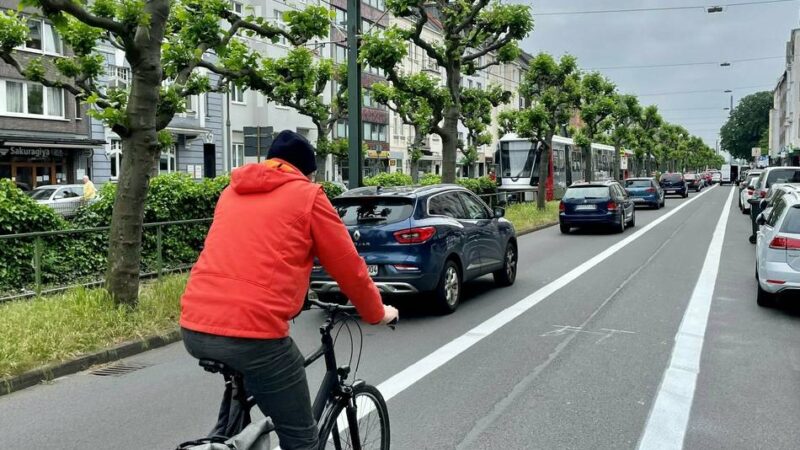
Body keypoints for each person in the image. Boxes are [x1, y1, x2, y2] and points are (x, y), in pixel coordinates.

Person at [180, 130, 398, 450]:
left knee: (240, 415)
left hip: (194, 325)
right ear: (306, 172)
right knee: (302, 439)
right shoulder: (308, 195)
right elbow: (348, 266)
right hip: (252, 331)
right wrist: (378, 312)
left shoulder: (232, 192)